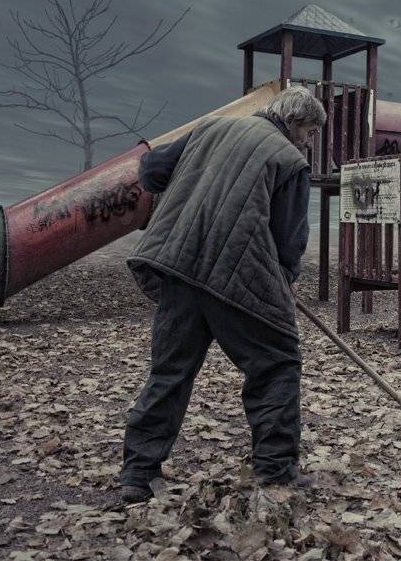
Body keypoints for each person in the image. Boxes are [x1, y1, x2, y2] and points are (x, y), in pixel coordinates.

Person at [118, 85, 327, 504]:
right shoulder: (290, 160)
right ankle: (275, 473)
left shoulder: (209, 128)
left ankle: (137, 475)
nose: (309, 141)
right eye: (309, 131)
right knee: (277, 364)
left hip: (178, 266)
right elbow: (289, 242)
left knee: (170, 372)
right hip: (240, 279)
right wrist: (284, 280)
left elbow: (152, 171)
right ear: (291, 121)